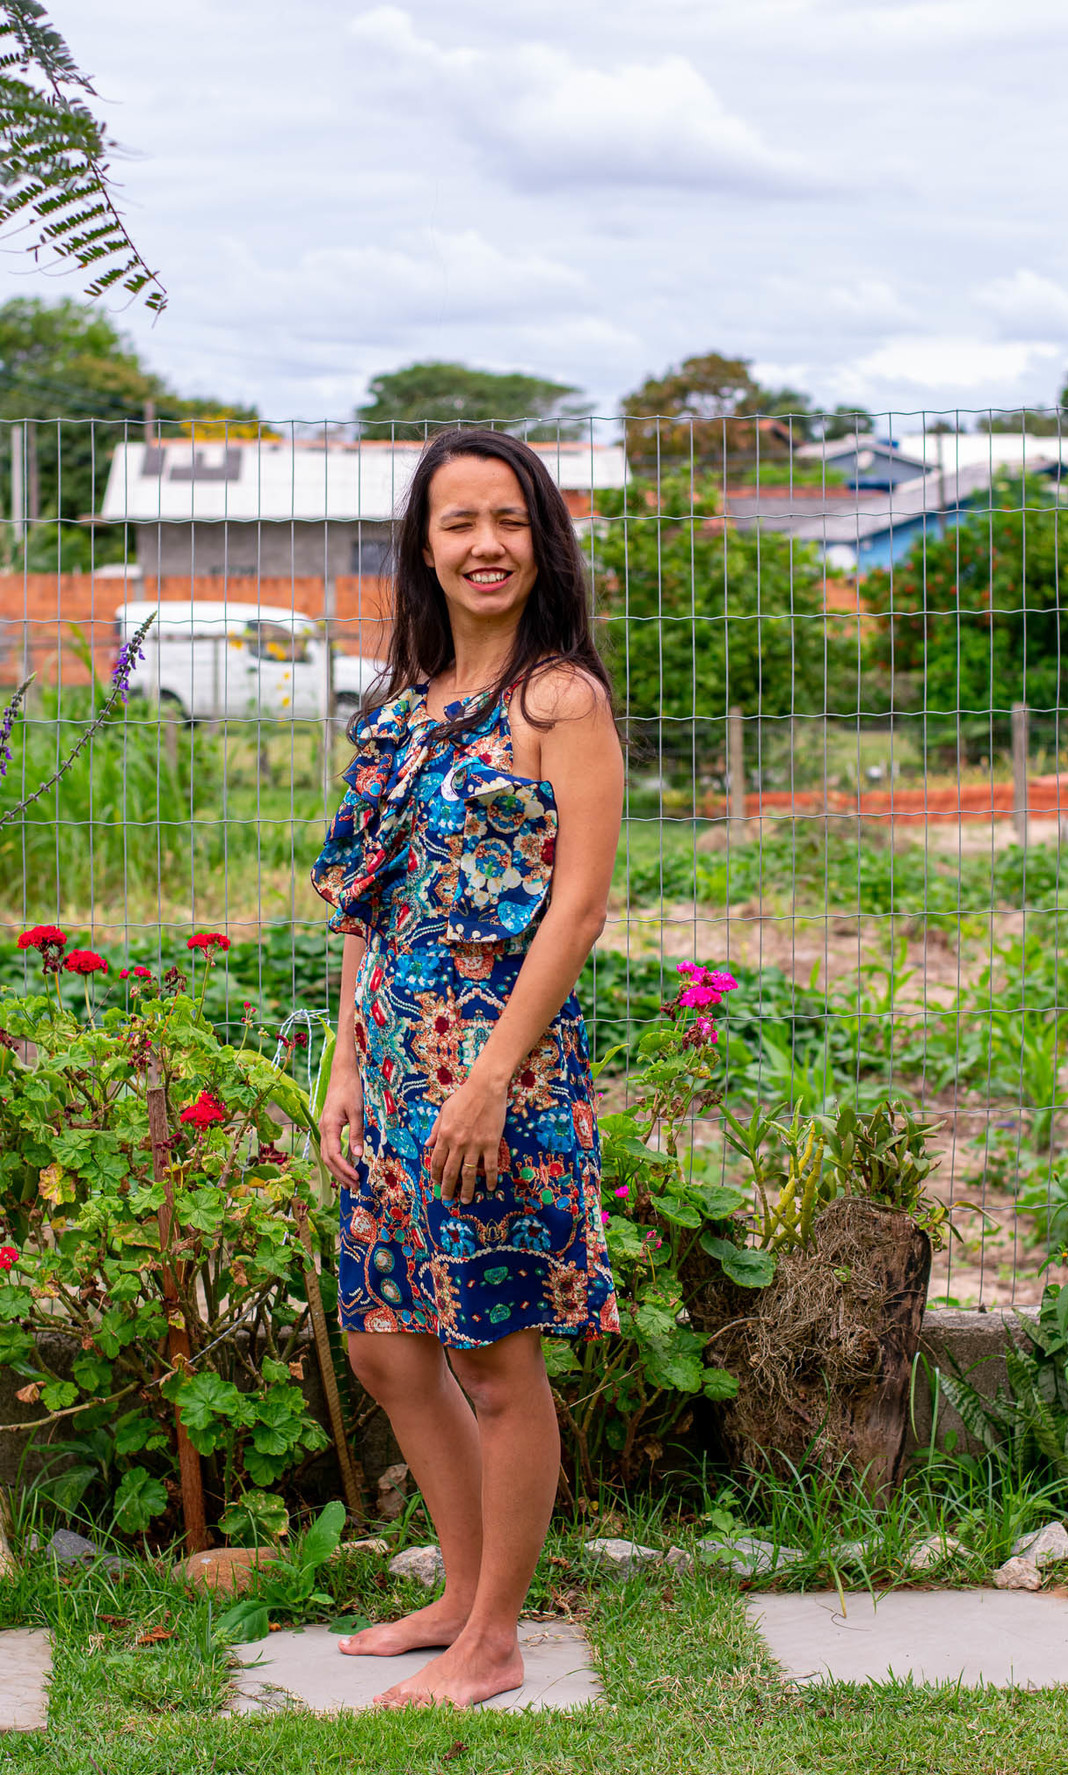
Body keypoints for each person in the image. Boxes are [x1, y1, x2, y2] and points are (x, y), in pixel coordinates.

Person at [312, 428, 623, 1709]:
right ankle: (455, 1587)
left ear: (539, 540)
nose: (484, 545)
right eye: (458, 524)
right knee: (387, 1345)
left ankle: (496, 1635)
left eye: (508, 520)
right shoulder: (398, 716)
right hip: (387, 1071)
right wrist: (341, 1062)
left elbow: (581, 909)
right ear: (425, 548)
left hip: (495, 1080)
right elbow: (367, 912)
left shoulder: (561, 703)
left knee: (492, 1355)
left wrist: (490, 1075)